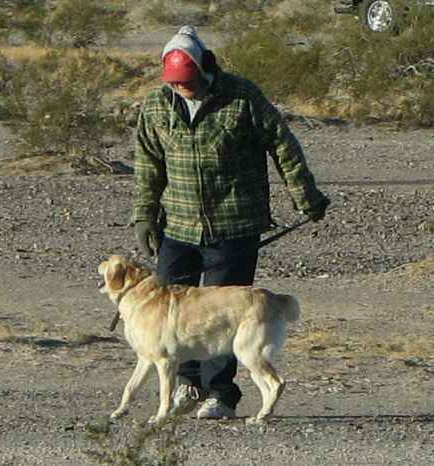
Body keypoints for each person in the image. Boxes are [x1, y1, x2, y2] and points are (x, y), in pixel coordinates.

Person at [132, 25, 330, 420]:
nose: (183, 90)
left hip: (234, 224)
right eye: (176, 85)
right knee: (170, 313)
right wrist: (145, 215)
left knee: (222, 316)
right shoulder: (156, 106)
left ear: (205, 69)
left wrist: (305, 195)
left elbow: (283, 144)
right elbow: (148, 165)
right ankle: (185, 385)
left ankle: (220, 394)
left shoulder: (242, 97)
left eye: (189, 83)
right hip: (179, 225)